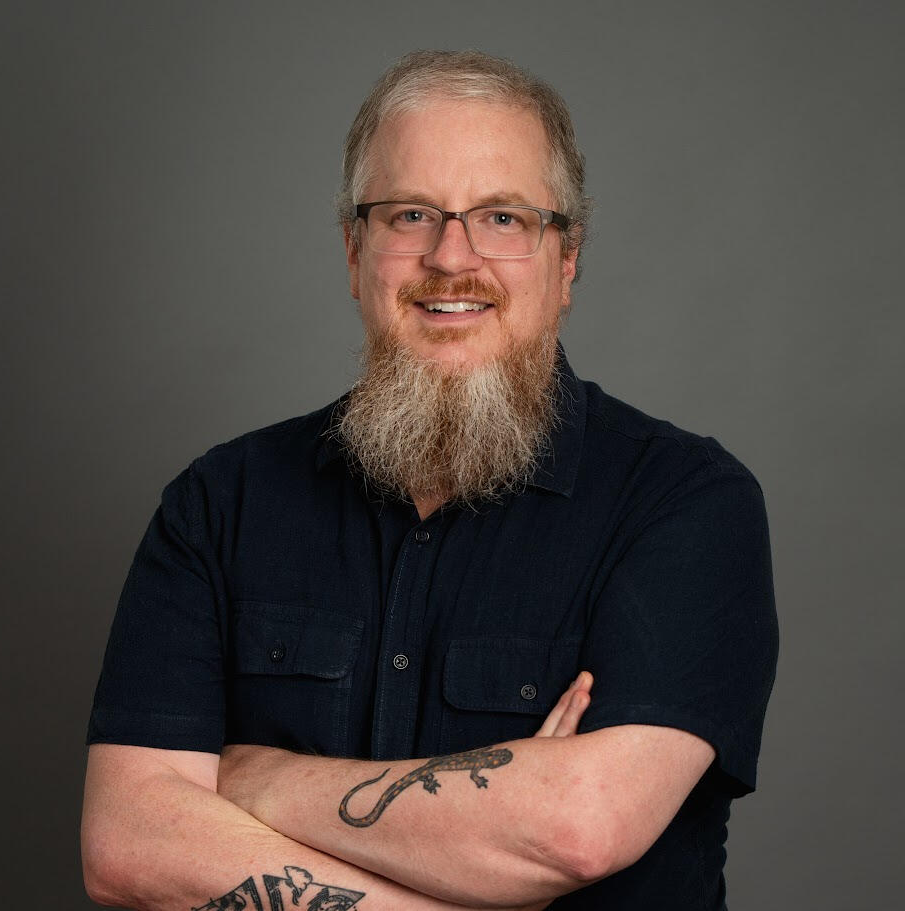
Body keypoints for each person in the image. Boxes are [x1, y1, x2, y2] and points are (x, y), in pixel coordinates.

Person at [81, 50, 778, 911]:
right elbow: (129, 844)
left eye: (502, 218)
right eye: (410, 214)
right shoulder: (219, 502)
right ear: (354, 250)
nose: (452, 257)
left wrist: (255, 780)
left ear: (565, 262)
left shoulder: (685, 502)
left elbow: (577, 825)